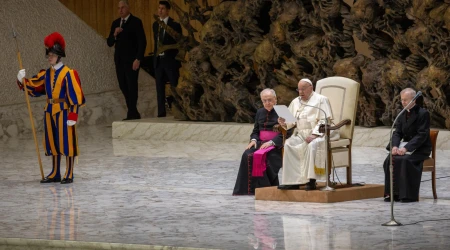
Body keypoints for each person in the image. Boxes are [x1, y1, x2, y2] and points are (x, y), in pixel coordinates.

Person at [16, 32, 85, 184]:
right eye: (49, 54)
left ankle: (69, 172)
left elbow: (75, 97)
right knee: (52, 142)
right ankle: (55, 172)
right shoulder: (46, 74)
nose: (49, 57)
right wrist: (21, 80)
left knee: (67, 142)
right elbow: (35, 85)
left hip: (64, 111)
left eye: (52, 54)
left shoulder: (69, 73)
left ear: (59, 55)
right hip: (49, 111)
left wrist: (73, 116)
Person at [277, 79, 334, 191]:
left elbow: (325, 120)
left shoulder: (321, 100)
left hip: (318, 134)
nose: (300, 92)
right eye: (299, 89)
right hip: (300, 134)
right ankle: (293, 182)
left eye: (303, 89)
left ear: (311, 88)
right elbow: (291, 121)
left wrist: (314, 135)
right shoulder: (295, 101)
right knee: (289, 144)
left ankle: (311, 180)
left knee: (312, 146)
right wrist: (283, 122)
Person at [233, 89, 286, 195]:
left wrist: (272, 142)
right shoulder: (259, 112)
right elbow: (255, 131)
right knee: (247, 155)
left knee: (265, 158)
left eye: (270, 100)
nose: (267, 103)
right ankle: (247, 191)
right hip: (260, 143)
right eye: (264, 100)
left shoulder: (283, 110)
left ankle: (266, 190)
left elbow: (289, 130)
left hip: (276, 145)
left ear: (275, 99)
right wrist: (253, 140)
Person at [383, 88, 431, 203]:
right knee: (389, 160)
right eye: (402, 100)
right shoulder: (402, 113)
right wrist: (394, 146)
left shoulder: (423, 114)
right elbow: (397, 132)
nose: (403, 102)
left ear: (414, 100)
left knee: (405, 160)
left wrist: (406, 148)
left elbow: (422, 135)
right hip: (404, 147)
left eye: (406, 100)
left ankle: (407, 195)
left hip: (419, 148)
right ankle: (393, 194)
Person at [107, 0, 147, 120]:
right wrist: (114, 34)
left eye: (123, 8)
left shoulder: (136, 22)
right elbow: (109, 43)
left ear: (128, 8)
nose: (120, 10)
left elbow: (142, 42)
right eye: (119, 8)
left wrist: (138, 59)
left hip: (132, 61)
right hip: (119, 61)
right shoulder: (115, 23)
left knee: (132, 86)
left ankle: (131, 113)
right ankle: (133, 111)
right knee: (123, 85)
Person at [152, 1, 182, 117]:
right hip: (158, 61)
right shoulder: (155, 25)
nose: (160, 11)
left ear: (168, 10)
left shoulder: (174, 25)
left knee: (174, 86)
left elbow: (179, 44)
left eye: (162, 9)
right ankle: (161, 113)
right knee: (159, 88)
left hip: (170, 61)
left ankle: (178, 110)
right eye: (159, 8)